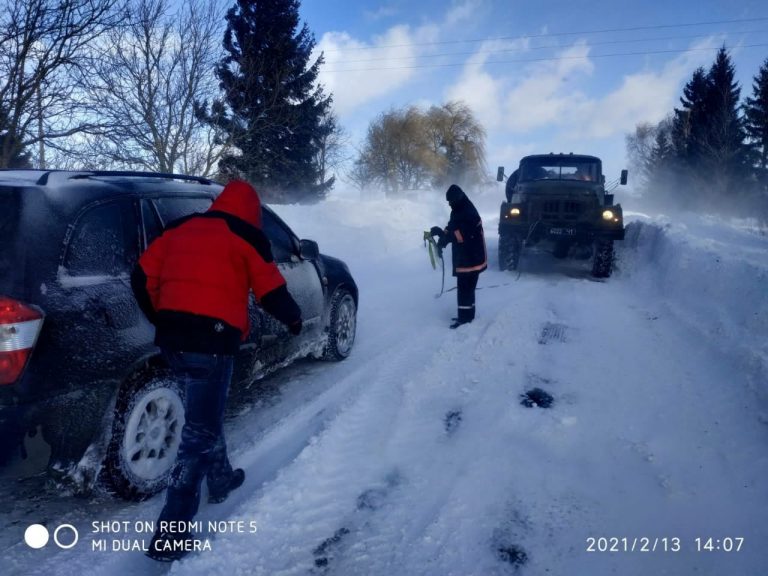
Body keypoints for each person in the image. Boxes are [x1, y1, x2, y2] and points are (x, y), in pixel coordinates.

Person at [131, 180, 302, 562]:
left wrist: (160, 317)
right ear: (250, 211)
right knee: (196, 436)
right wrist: (293, 319)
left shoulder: (179, 228)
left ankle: (221, 478)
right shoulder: (246, 236)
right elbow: (271, 291)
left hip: (173, 344)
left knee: (201, 418)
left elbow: (141, 276)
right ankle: (171, 536)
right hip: (212, 344)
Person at [430, 184, 487, 329]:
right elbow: (452, 226)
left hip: (471, 257)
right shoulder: (458, 209)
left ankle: (464, 319)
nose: (449, 204)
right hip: (466, 255)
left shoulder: (469, 212)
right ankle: (468, 315)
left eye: (450, 201)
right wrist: (442, 238)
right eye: (448, 202)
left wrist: (444, 236)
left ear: (457, 198)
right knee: (467, 289)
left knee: (464, 289)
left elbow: (461, 235)